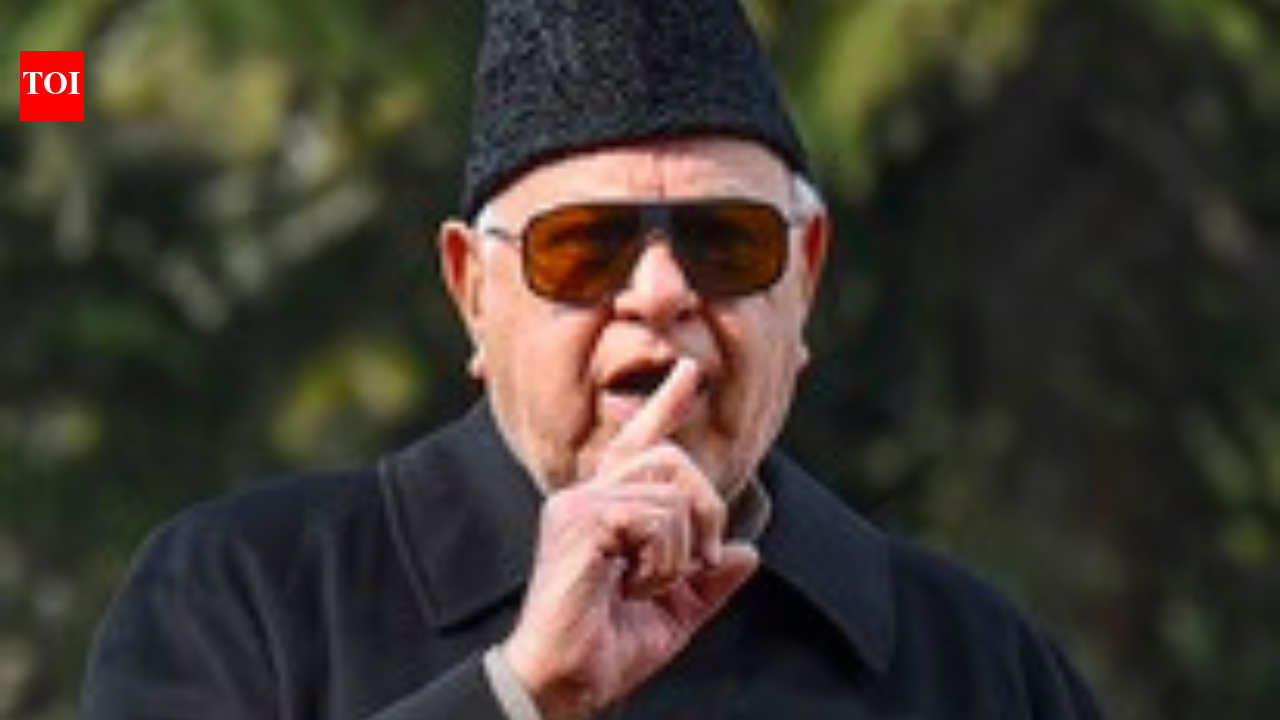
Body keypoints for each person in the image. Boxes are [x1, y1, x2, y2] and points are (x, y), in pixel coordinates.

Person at [82, 0, 1107, 718]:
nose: (660, 292)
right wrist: (519, 695)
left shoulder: (972, 658)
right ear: (473, 292)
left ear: (804, 279)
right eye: (582, 249)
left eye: (726, 244)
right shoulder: (244, 594)